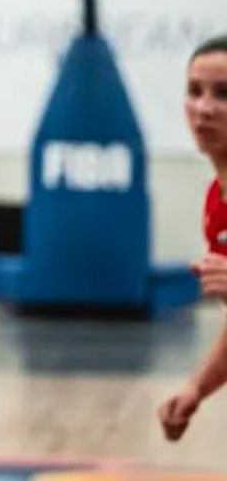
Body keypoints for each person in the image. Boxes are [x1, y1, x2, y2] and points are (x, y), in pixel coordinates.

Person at [158, 34, 227, 443]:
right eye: (194, 91)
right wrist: (196, 388)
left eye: (223, 94)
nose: (204, 109)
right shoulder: (214, 202)